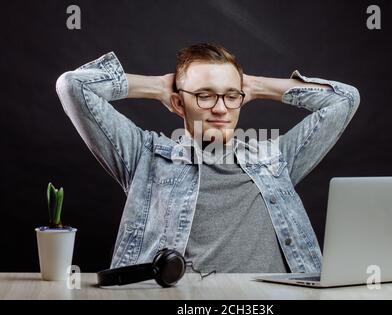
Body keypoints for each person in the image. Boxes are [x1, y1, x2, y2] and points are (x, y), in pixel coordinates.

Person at [55, 42, 360, 273]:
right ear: (178, 103)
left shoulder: (274, 158)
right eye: (204, 95)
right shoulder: (144, 157)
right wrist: (158, 87)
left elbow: (344, 101)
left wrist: (255, 86)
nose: (220, 108)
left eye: (231, 96)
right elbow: (73, 86)